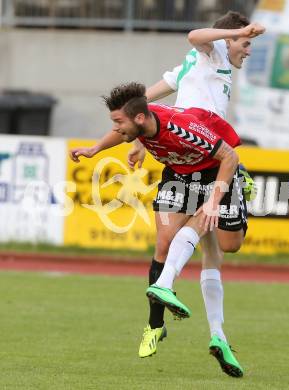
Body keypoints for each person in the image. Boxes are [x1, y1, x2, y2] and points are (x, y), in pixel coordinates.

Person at [69, 11, 265, 374]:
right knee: (182, 235)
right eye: (246, 43)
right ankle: (175, 318)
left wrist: (141, 133)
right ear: (226, 40)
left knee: (224, 245)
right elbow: (192, 37)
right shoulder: (212, 53)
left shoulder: (199, 65)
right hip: (192, 149)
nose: (248, 48)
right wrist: (138, 133)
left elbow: (143, 103)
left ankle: (185, 305)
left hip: (207, 151)